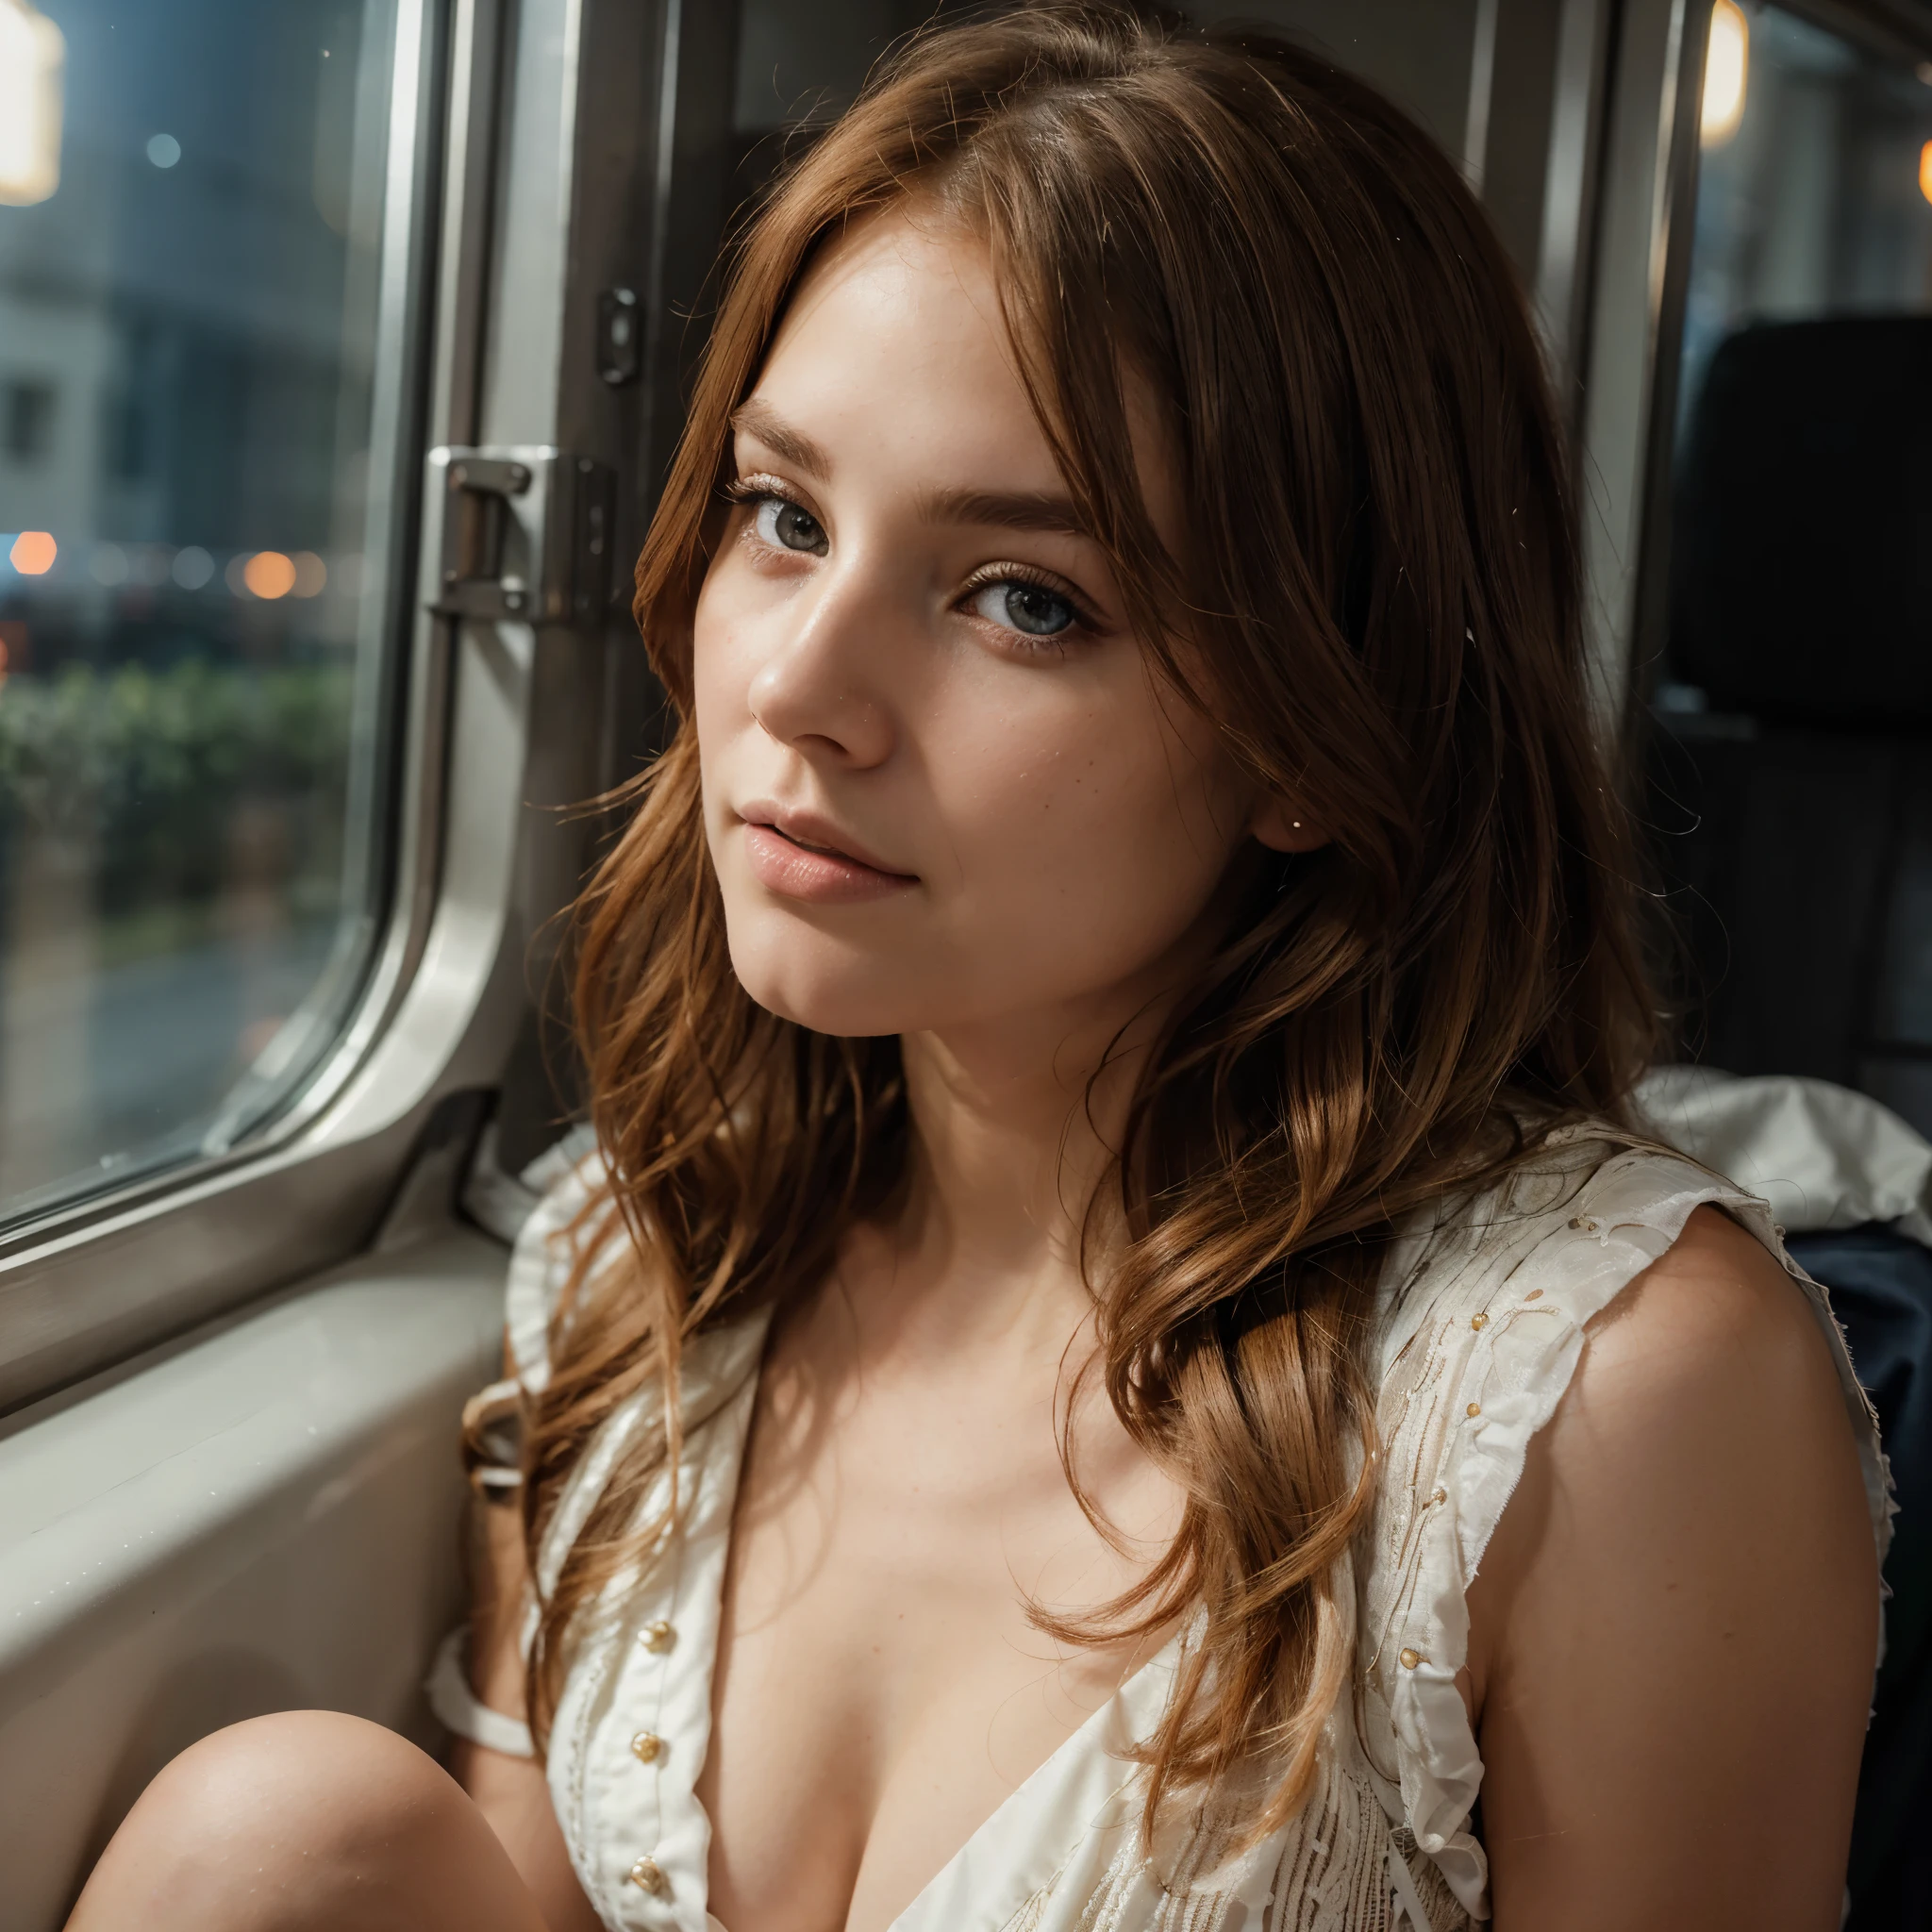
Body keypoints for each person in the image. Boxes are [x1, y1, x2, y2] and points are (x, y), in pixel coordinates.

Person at [67, 8, 1885, 1930]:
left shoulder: (1616, 1398)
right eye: (783, 515)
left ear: (1304, 728)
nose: (794, 688)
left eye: (1025, 599)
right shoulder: (640, 1263)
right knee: (275, 1828)